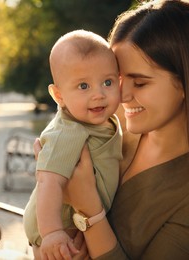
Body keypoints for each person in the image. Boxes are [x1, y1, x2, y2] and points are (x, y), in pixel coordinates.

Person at [44, 0, 189, 259]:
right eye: (117, 80)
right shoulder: (114, 127)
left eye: (140, 83)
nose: (121, 95)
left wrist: (89, 210)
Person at [23, 30, 122, 259]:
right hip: (53, 230)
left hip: (79, 224)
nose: (98, 94)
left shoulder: (106, 122)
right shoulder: (67, 132)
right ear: (59, 96)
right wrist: (52, 233)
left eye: (107, 82)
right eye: (83, 86)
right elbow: (48, 182)